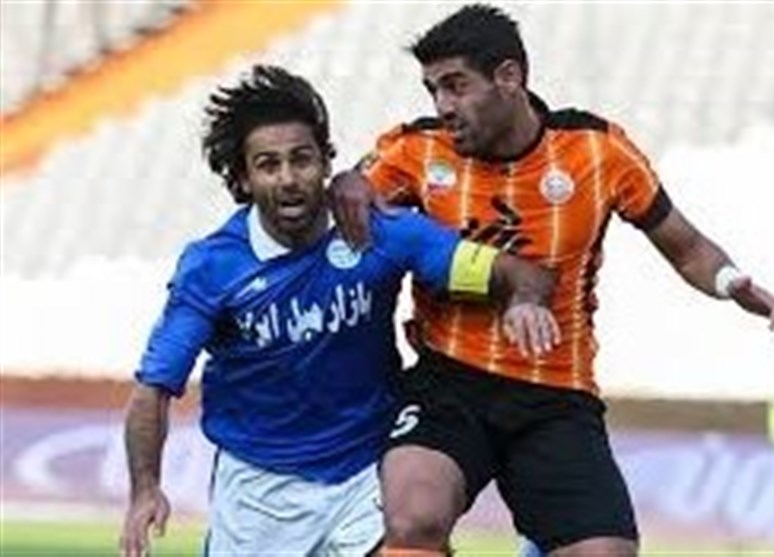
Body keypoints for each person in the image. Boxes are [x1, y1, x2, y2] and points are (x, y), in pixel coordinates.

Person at [329, 5, 774, 557]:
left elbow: (687, 247)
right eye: (433, 90)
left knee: (605, 553)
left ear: (509, 77)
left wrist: (734, 282)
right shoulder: (416, 149)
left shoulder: (597, 152)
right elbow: (338, 202)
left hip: (554, 391)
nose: (443, 107)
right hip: (447, 382)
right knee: (414, 518)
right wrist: (347, 180)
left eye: (456, 86)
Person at [117, 64, 561, 557]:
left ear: (327, 161)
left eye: (301, 159)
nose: (289, 178)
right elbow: (153, 389)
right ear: (243, 177)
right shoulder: (212, 267)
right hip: (259, 492)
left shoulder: (381, 232)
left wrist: (523, 297)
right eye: (268, 165)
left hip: (365, 471)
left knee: (414, 536)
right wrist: (145, 489)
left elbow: (520, 272)